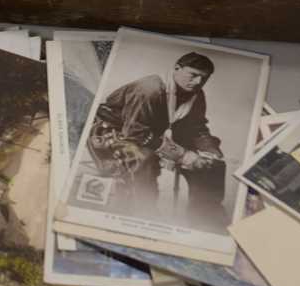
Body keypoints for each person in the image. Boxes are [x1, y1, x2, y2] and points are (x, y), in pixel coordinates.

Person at [89, 51, 228, 228]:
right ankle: (143, 213)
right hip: (114, 131)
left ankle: (205, 217)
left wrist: (209, 151)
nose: (198, 82)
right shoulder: (149, 89)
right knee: (144, 158)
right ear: (177, 68)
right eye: (193, 75)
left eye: (204, 78)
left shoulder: (197, 94)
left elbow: (197, 127)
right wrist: (183, 155)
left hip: (153, 132)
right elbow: (135, 133)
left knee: (212, 165)